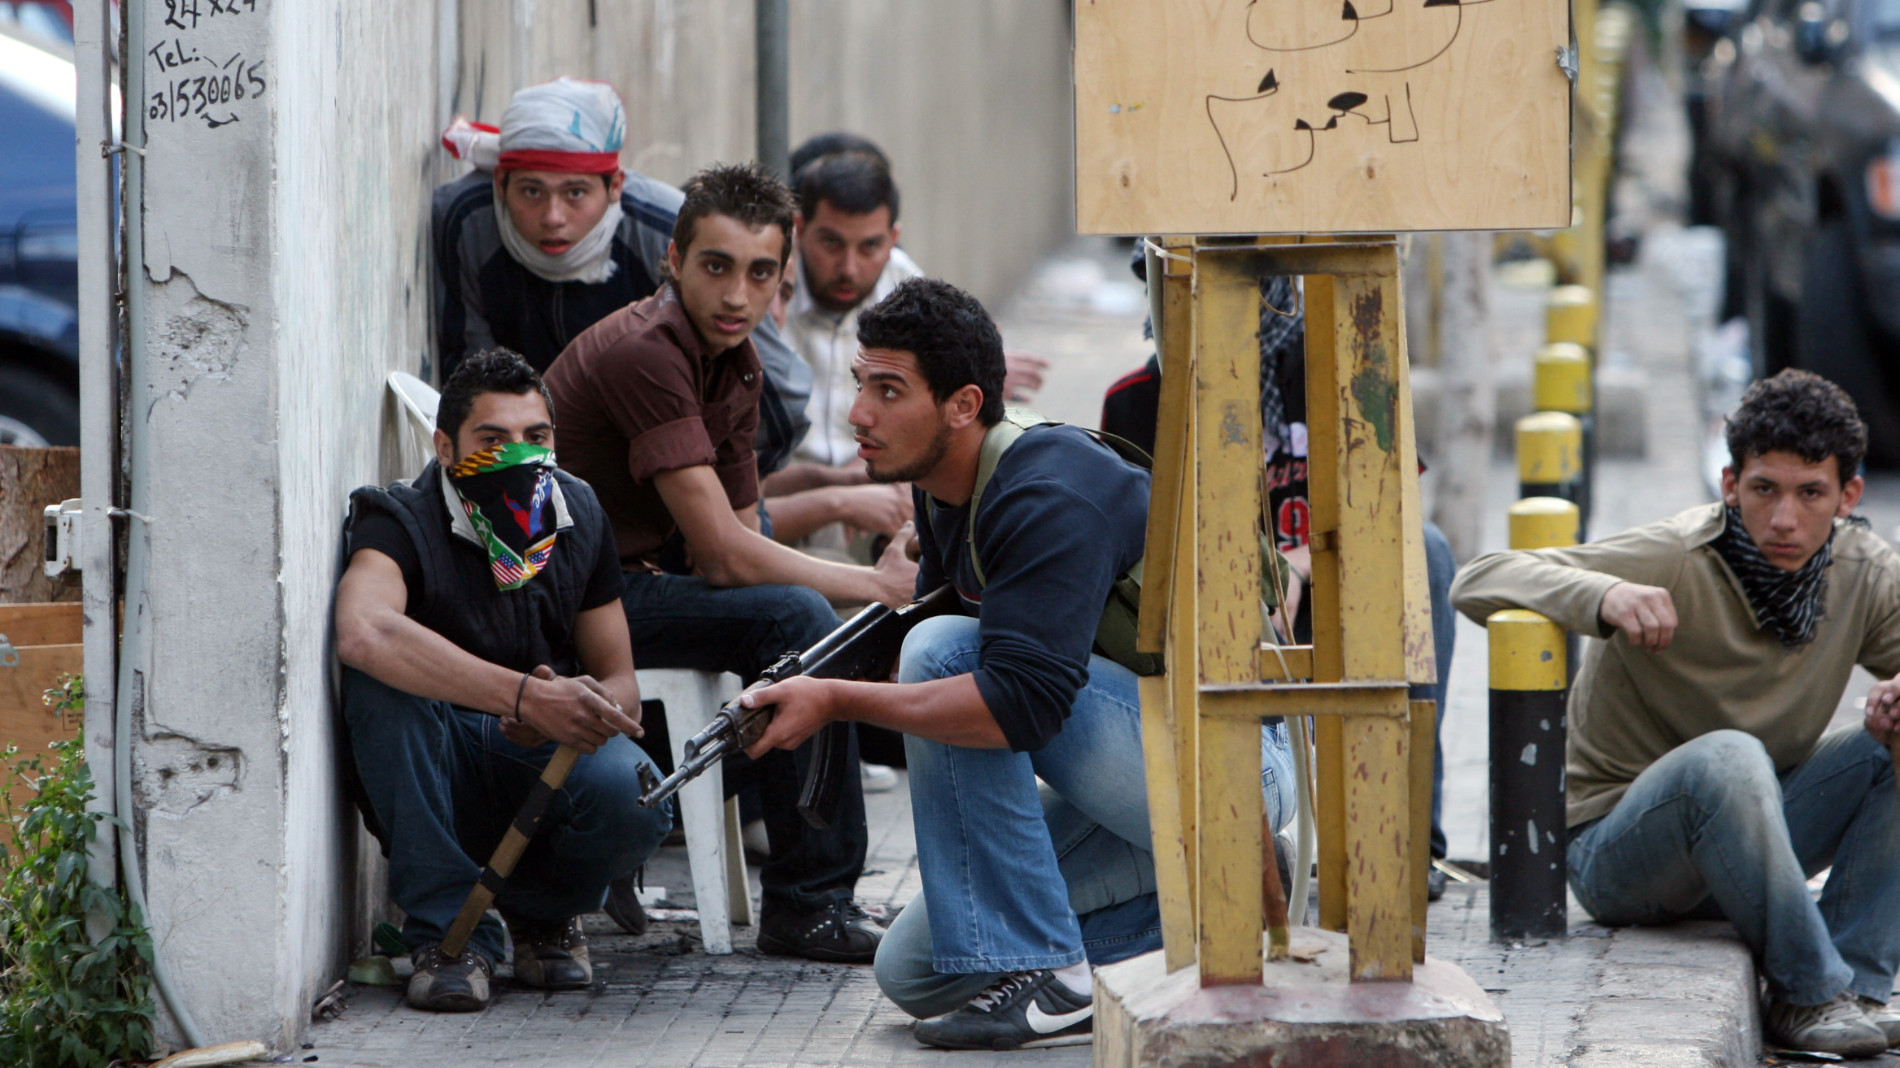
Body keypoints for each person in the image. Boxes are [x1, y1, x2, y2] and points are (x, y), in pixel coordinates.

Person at [738, 277, 1297, 1050]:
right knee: (920, 969)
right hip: (1132, 763)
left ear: (963, 405)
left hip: (1235, 770)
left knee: (940, 658)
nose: (859, 412)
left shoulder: (1044, 494)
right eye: (861, 383)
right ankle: (1218, 911)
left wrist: (834, 700)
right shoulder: (945, 487)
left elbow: (1017, 708)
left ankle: (1055, 969)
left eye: (889, 390)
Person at [1451, 370, 1900, 1058]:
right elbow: (1476, 577)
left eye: (1810, 494)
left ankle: (1857, 986)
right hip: (1621, 856)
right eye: (1763, 490)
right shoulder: (1678, 555)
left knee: (1885, 745)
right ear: (1729, 485)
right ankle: (1807, 991)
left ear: (1848, 497)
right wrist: (1603, 594)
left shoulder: (1863, 572)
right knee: (1728, 756)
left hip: (1759, 838)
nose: (1784, 519)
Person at [543, 162, 916, 963]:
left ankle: (640, 832)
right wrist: (875, 588)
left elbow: (746, 537)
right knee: (801, 621)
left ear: (783, 280)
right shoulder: (648, 350)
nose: (737, 295)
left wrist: (864, 597)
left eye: (759, 273)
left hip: (638, 594)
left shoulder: (737, 362)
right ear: (672, 261)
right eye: (716, 267)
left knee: (809, 636)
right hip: (564, 608)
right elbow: (722, 555)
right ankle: (809, 902)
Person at [1102, 259, 1460, 897]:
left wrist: (1295, 561)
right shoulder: (1138, 398)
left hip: (1329, 574)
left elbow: (1390, 506)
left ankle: (1407, 834)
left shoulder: (1336, 360)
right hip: (1216, 600)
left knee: (1425, 552)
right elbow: (1142, 546)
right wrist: (1254, 575)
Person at [335, 349, 671, 1012]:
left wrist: (573, 708)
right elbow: (363, 630)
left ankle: (544, 917)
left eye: (535, 438)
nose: (518, 455)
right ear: (446, 446)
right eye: (493, 440)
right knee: (382, 684)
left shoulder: (577, 513)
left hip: (537, 756)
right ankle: (448, 937)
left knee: (639, 799)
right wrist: (519, 696)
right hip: (439, 762)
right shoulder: (397, 519)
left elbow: (620, 680)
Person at [431, 76, 811, 477]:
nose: (552, 216)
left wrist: (711, 482)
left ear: (614, 186)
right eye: (531, 192)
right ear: (500, 184)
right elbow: (469, 382)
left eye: (575, 193)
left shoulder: (666, 229)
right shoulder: (467, 220)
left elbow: (780, 402)